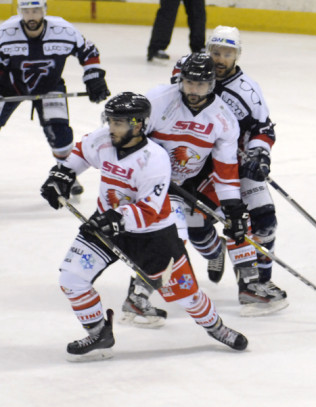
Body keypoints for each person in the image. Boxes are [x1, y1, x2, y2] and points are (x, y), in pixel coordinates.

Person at [39, 92, 248, 361]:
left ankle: (216, 327)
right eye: (111, 121)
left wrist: (117, 218)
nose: (111, 128)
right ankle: (99, 332)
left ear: (138, 125)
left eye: (119, 123)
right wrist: (62, 175)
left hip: (152, 236)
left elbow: (149, 211)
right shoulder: (105, 139)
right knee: (71, 279)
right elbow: (81, 151)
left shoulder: (154, 159)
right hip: (105, 226)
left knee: (188, 297)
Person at [120, 53, 249, 325]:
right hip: (153, 181)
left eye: (201, 85)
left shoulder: (224, 119)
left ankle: (214, 251)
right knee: (170, 237)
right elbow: (126, 137)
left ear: (213, 84)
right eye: (189, 83)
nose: (193, 91)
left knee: (198, 229)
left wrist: (233, 208)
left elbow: (226, 171)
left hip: (191, 181)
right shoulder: (158, 101)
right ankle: (138, 296)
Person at [170, 26, 286, 316]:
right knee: (197, 229)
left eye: (228, 53)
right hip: (196, 164)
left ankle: (260, 282)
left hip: (237, 163)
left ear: (238, 54)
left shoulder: (247, 90)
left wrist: (259, 153)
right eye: (216, 52)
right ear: (207, 50)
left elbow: (264, 128)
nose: (220, 58)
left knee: (264, 222)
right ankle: (216, 252)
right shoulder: (190, 68)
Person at [0, 0, 111, 196]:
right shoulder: (5, 33)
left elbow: (88, 51)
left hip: (49, 88)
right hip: (9, 89)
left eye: (36, 10)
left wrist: (94, 77)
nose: (31, 16)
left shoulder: (63, 30)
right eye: (26, 11)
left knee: (60, 134)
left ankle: (66, 173)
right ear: (19, 12)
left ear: (44, 11)